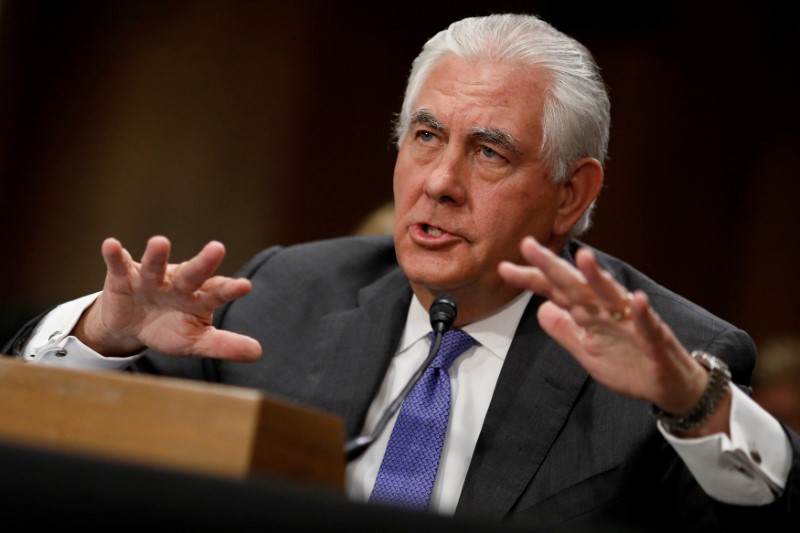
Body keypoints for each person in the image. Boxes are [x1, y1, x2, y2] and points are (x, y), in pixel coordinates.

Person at [3, 13, 797, 531]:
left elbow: (764, 510)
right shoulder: (286, 294)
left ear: (572, 194)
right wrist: (102, 338)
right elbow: (54, 440)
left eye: (488, 151)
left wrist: (692, 402)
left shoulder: (668, 355)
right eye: (425, 136)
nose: (440, 181)